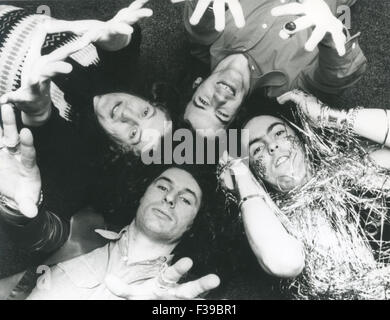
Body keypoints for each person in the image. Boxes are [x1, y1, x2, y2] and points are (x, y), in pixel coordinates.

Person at [219, 89, 390, 299]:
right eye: (257, 150)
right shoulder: (281, 226)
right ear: (255, 174)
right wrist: (240, 173)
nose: (272, 145)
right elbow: (283, 261)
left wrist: (327, 115)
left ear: (300, 135)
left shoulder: (361, 165)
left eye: (279, 133)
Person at [25, 166, 220, 299]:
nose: (169, 197)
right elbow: (32, 231)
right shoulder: (80, 228)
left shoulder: (174, 295)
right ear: (142, 194)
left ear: (193, 225)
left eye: (186, 199)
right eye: (162, 186)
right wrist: (15, 204)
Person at [180, 0, 366, 135]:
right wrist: (331, 36)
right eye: (222, 113)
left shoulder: (202, 34)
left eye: (203, 102)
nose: (219, 98)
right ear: (237, 114)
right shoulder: (289, 88)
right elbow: (337, 76)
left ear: (197, 84)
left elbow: (200, 11)